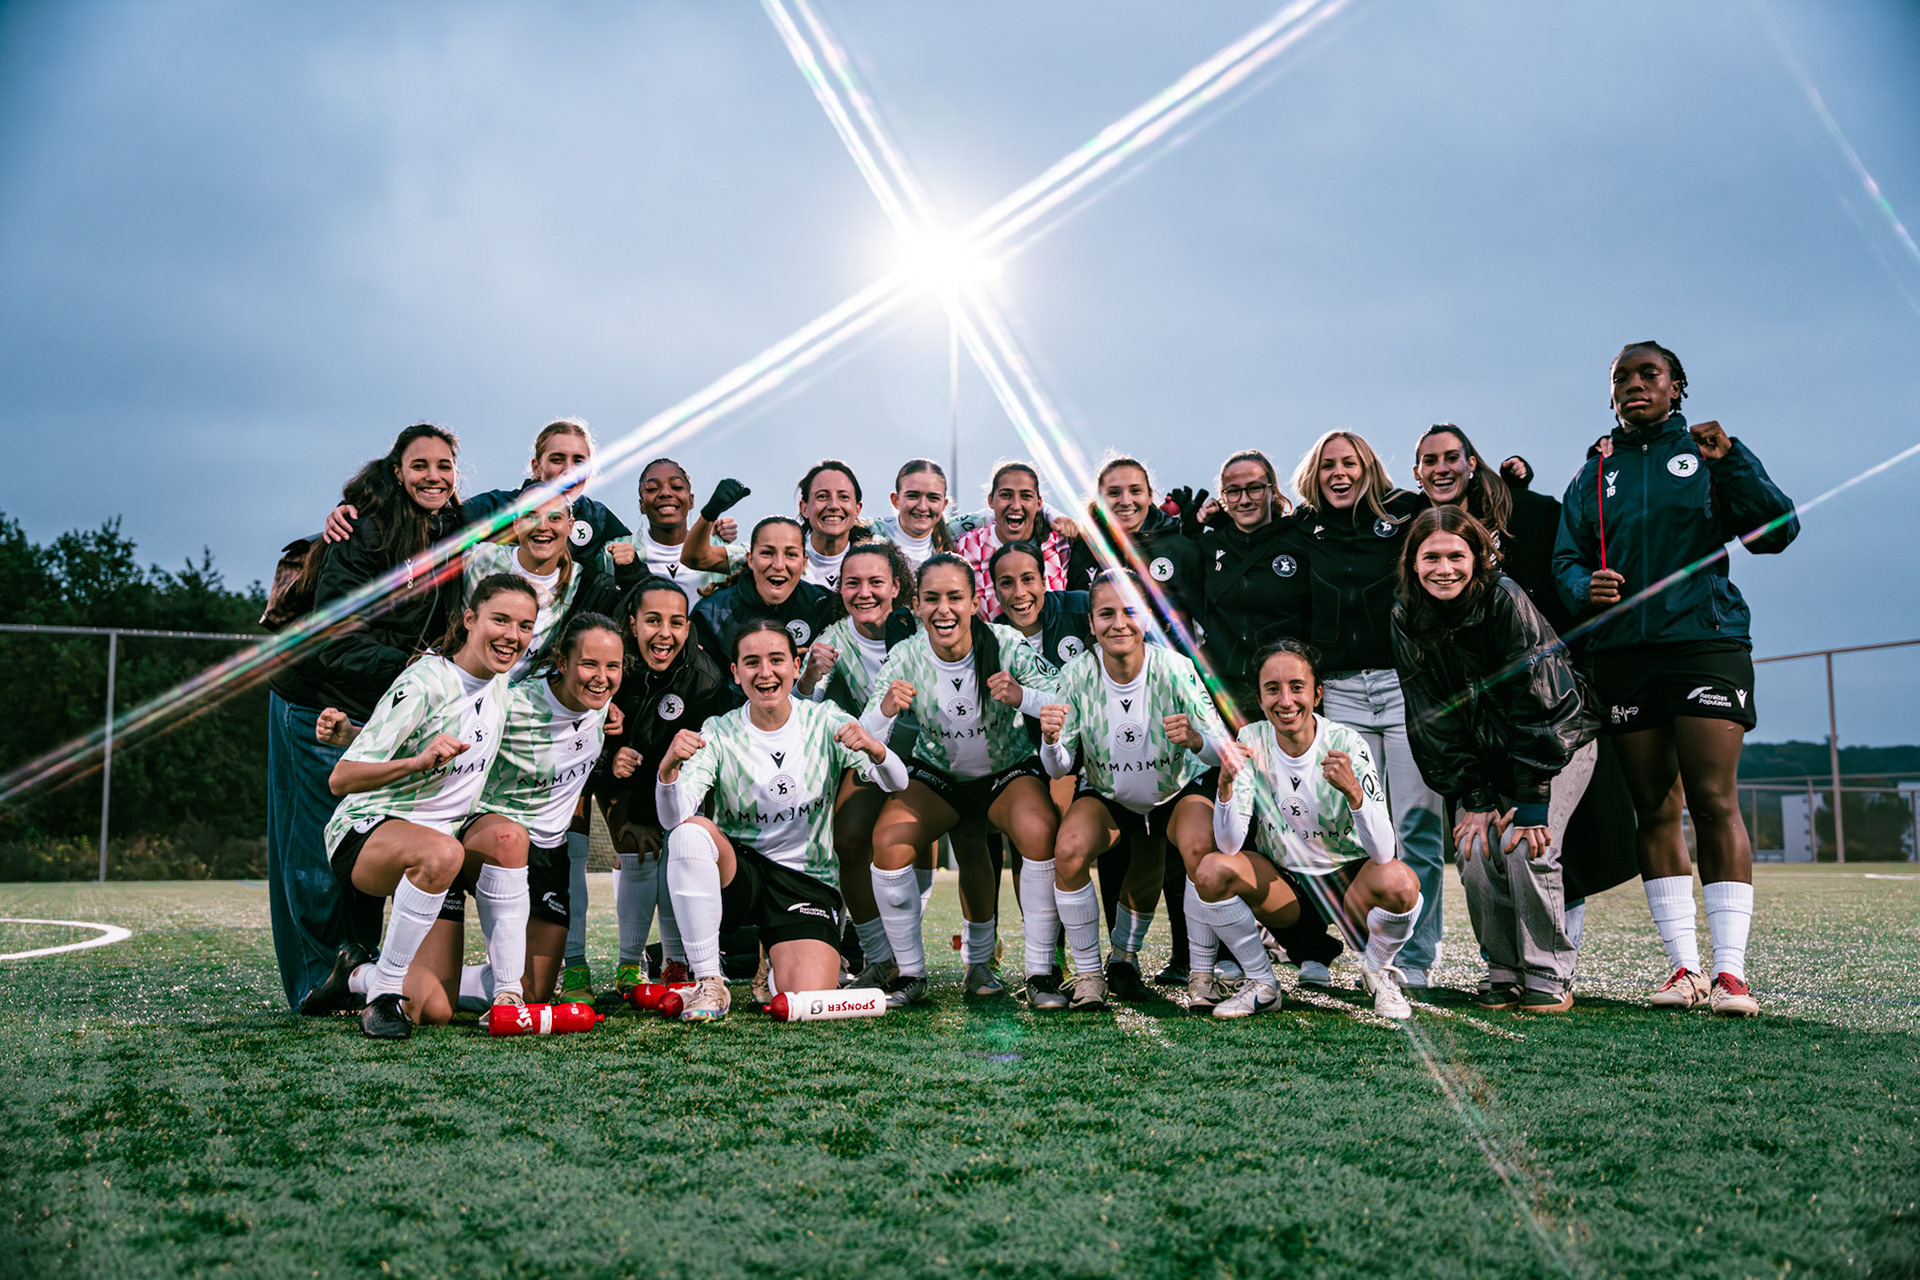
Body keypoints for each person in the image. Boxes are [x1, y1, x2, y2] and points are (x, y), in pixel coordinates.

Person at [1553, 340, 1798, 1017]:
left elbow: (1777, 531)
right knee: (1655, 806)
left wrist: (1735, 460)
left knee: (1713, 800)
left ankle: (1732, 974)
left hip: (1704, 643)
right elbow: (1566, 557)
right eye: (1622, 377)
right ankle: (1684, 969)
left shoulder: (1708, 455)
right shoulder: (1593, 471)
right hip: (1625, 655)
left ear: (1676, 387)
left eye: (1648, 374)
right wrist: (1583, 587)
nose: (1635, 385)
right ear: (1611, 394)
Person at [271, 423, 466, 1013]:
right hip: (317, 699)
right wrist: (419, 668)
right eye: (420, 466)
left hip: (378, 708)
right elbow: (337, 639)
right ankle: (315, 982)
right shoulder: (367, 524)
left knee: (365, 837)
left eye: (444, 466)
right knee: (317, 846)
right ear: (397, 469)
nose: (433, 477)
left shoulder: (452, 524)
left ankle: (357, 968)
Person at [302, 574, 531, 1038]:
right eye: (500, 620)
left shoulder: (501, 685)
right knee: (443, 853)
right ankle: (382, 994)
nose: (512, 635)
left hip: (439, 846)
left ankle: (354, 976)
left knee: (434, 1009)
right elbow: (341, 777)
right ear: (470, 619)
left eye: (524, 626)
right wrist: (417, 762)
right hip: (366, 832)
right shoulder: (427, 679)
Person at [1394, 508, 1600, 1012]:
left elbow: (1543, 705)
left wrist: (1529, 800)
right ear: (1413, 563)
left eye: (1456, 556)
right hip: (1485, 755)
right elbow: (1432, 717)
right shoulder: (1405, 614)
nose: (1445, 568)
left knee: (1525, 846)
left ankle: (1548, 971)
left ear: (1478, 557)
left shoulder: (1504, 598)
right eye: (1432, 557)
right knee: (1476, 848)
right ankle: (1503, 969)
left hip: (1554, 745)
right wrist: (1476, 797)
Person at [656, 620, 909, 1021]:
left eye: (776, 660)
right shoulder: (718, 732)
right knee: (690, 834)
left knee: (806, 997)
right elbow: (673, 819)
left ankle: (773, 962)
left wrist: (876, 748)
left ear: (796, 665)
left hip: (806, 882)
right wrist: (668, 773)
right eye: (751, 663)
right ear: (736, 674)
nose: (765, 672)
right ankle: (709, 983)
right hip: (741, 875)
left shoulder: (824, 719)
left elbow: (898, 780)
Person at [863, 555, 1066, 1007]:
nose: (944, 609)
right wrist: (885, 711)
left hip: (1006, 773)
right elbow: (866, 732)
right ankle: (910, 974)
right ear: (916, 605)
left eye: (956, 597)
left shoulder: (1007, 643)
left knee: (1039, 832)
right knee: (889, 842)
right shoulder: (906, 656)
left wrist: (1023, 696)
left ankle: (1039, 973)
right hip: (939, 775)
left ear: (975, 602)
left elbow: (1067, 697)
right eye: (932, 598)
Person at [1293, 430, 1446, 987]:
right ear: (1316, 472)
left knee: (1417, 826)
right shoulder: (1303, 526)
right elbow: (1255, 531)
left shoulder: (1406, 511)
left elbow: (1461, 506)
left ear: (1369, 467)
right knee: (1349, 827)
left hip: (1404, 686)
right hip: (1341, 694)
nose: (1340, 473)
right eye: (1328, 463)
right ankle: (1367, 952)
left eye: (1350, 463)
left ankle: (1415, 959)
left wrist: (1508, 476)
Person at [1038, 571, 1226, 1004]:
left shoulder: (1176, 668)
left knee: (1196, 852)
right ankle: (1088, 976)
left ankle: (1199, 975)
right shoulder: (1077, 675)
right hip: (1109, 793)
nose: (1118, 623)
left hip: (1173, 791)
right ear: (1091, 624)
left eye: (1129, 611)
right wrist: (1050, 741)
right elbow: (1060, 765)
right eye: (1106, 613)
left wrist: (1197, 740)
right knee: (1068, 851)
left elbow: (1221, 751)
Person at [1209, 640, 1419, 1019]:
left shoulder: (1346, 742)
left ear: (1317, 693)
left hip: (1349, 888)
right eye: (1272, 689)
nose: (1285, 700)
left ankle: (1376, 971)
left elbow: (1384, 852)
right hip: (1287, 890)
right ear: (1259, 698)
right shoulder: (1250, 739)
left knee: (1401, 883)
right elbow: (1228, 845)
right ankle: (1262, 984)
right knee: (1212, 870)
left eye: (1297, 687)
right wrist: (1224, 788)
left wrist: (1354, 792)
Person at [1191, 448, 1321, 988]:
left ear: (1274, 490)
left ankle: (1315, 948)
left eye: (1254, 487)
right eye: (1233, 490)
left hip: (1285, 702)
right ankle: (1233, 948)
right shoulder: (1208, 544)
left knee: (1298, 822)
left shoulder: (1300, 540)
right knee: (1234, 828)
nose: (1244, 498)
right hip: (1227, 705)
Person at [597, 577, 735, 996]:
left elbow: (707, 752)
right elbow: (578, 731)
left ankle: (677, 962)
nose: (664, 633)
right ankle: (628, 964)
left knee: (677, 849)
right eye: (652, 620)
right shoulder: (610, 663)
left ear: (689, 627)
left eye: (676, 622)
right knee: (637, 856)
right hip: (619, 784)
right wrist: (609, 758)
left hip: (678, 785)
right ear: (631, 623)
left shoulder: (705, 679)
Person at [797, 542, 922, 984]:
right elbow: (802, 706)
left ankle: (980, 957)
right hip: (870, 755)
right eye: (853, 583)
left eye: (875, 582)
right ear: (840, 588)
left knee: (937, 845)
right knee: (848, 838)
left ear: (896, 587)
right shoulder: (833, 639)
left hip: (930, 757)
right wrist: (810, 675)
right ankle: (879, 957)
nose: (864, 592)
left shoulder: (920, 627)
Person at [324, 418, 629, 565]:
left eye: (579, 461)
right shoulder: (495, 507)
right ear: (536, 466)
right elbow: (430, 517)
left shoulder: (599, 519)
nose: (568, 470)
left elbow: (646, 557)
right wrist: (356, 508)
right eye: (557, 459)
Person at [1064, 456, 1203, 645]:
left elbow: (1212, 621)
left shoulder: (1180, 548)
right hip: (1101, 669)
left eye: (1135, 491)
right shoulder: (1084, 547)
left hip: (1166, 670)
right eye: (1114, 493)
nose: (1125, 501)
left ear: (1150, 496)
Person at [691, 516, 842, 687]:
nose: (778, 565)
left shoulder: (822, 606)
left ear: (804, 563)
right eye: (767, 553)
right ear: (750, 560)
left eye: (791, 554)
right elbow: (703, 693)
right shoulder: (711, 615)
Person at [463, 492, 581, 681]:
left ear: (570, 526)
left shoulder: (579, 581)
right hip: (461, 686)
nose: (542, 527)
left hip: (517, 701)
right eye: (531, 517)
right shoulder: (481, 558)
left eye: (554, 518)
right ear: (516, 524)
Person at [601, 457, 742, 608]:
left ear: (691, 501)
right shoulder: (615, 551)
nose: (665, 493)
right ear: (641, 505)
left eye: (676, 487)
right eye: (652, 489)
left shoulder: (717, 548)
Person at [954, 461, 1073, 619]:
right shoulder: (966, 546)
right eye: (1006, 495)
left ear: (1039, 504)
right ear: (991, 500)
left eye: (1026, 496)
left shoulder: (1062, 542)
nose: (1016, 505)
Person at [874, 459, 958, 572]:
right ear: (896, 500)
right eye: (913, 496)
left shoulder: (956, 537)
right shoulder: (870, 532)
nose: (922, 507)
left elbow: (987, 515)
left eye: (933, 498)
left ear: (944, 504)